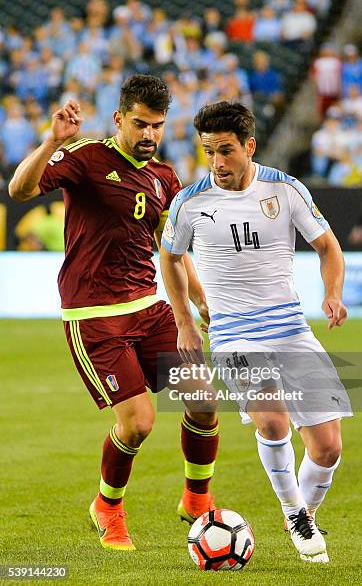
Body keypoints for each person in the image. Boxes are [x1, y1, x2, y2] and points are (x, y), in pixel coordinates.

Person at [8, 74, 219, 551]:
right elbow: (20, 190)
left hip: (150, 307)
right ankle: (107, 507)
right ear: (119, 118)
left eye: (158, 126)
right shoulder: (83, 157)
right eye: (140, 124)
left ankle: (196, 500)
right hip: (94, 315)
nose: (149, 135)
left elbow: (174, 250)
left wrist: (200, 297)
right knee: (139, 422)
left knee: (204, 402)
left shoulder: (165, 177)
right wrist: (51, 141)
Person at [160, 101, 353, 564]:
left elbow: (328, 246)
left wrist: (333, 293)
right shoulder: (190, 202)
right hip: (233, 332)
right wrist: (186, 319)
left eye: (226, 151)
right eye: (208, 152)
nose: (217, 163)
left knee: (327, 448)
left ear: (249, 146)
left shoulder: (285, 190)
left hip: (289, 327)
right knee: (272, 419)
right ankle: (296, 513)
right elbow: (169, 256)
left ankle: (301, 512)